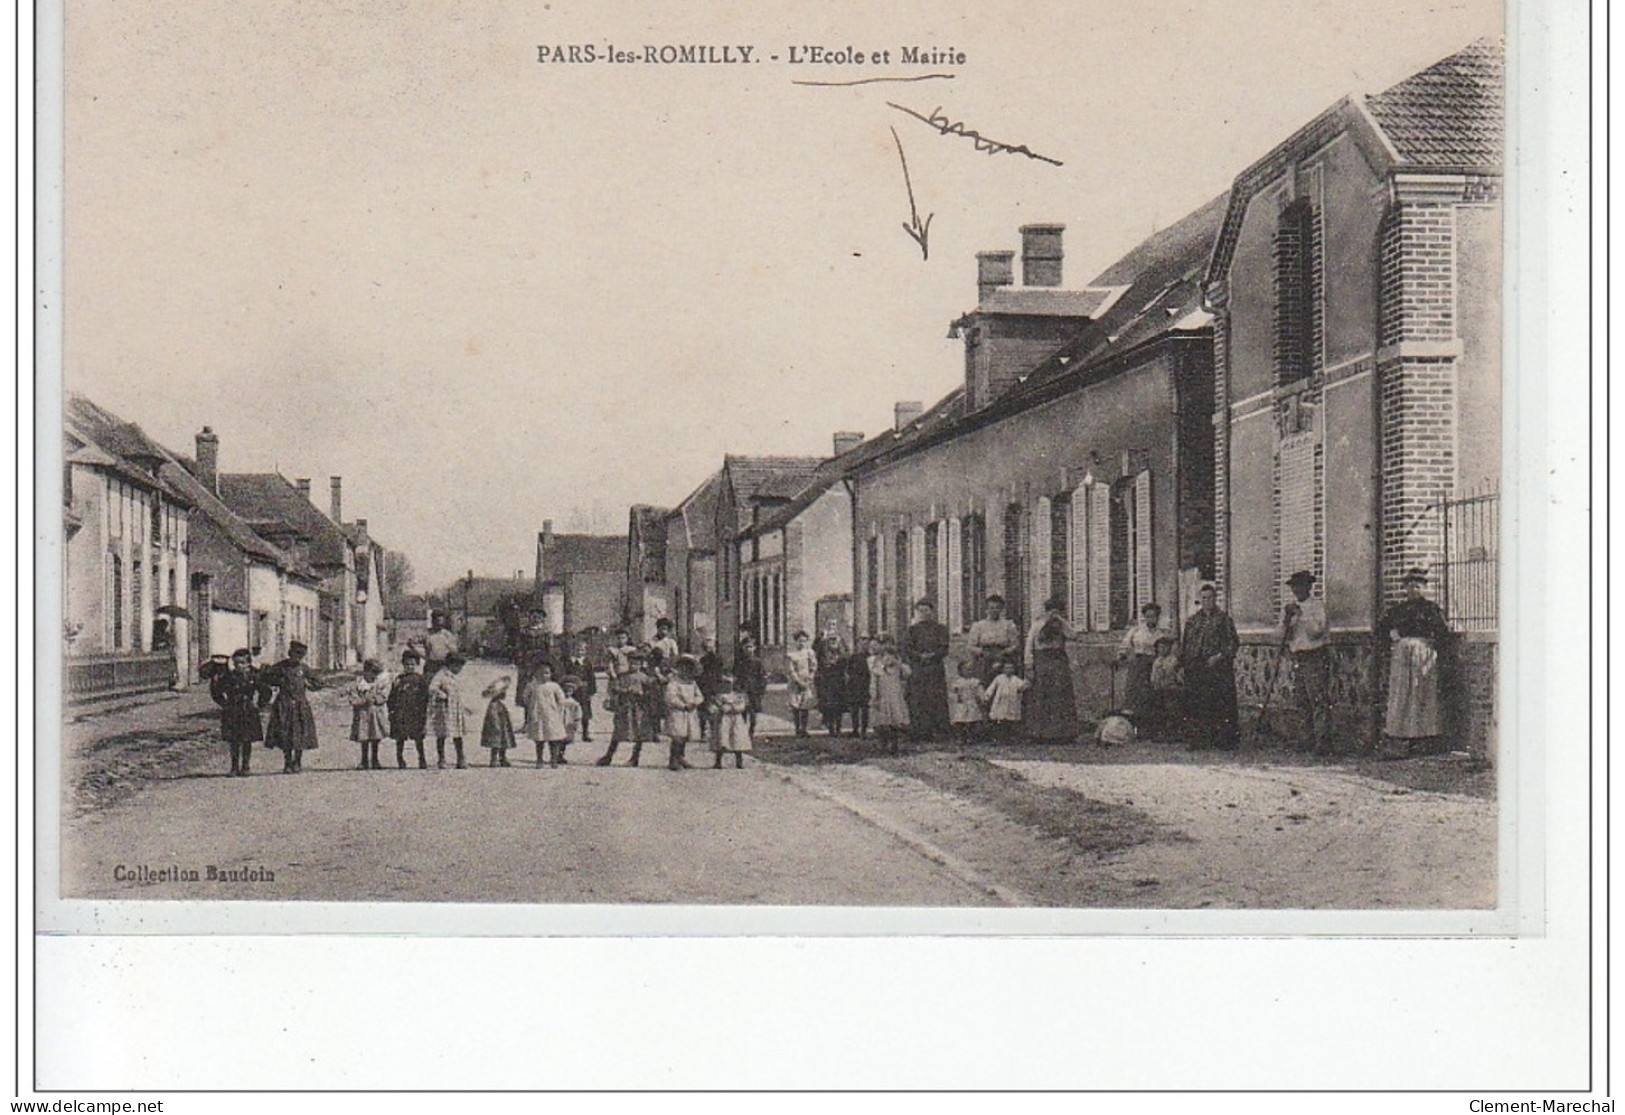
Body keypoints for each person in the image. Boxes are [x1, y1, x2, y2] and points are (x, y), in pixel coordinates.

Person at [1374, 568, 1452, 759]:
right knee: (1403, 694)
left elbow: (1443, 633)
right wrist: (1391, 633)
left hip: (1423, 655)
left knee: (1422, 694)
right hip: (1402, 656)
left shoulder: (1431, 609)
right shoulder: (1397, 610)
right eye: (1410, 586)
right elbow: (1381, 629)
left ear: (1424, 588)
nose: (1413, 590)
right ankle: (1401, 737)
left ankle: (1424, 739)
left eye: (1417, 586)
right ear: (1405, 588)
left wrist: (1434, 654)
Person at [1180, 584, 1241, 750]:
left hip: (1217, 668)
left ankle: (1223, 740)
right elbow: (1185, 645)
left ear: (1215, 599)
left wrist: (1219, 656)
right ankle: (1198, 740)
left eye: (1210, 597)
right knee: (1196, 704)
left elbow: (1233, 643)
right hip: (1196, 668)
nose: (1207, 601)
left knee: (1220, 704)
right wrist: (1184, 665)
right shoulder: (1193, 621)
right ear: (1200, 600)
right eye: (1204, 598)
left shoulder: (1223, 619)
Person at [1283, 570, 1334, 754]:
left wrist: (1302, 615)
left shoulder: (1317, 606)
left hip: (1315, 656)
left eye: (1300, 586)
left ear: (1309, 587)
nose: (1297, 590)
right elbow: (1284, 636)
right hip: (1299, 657)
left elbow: (1317, 631)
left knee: (1318, 699)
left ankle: (1323, 742)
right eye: (1294, 587)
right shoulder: (1292, 608)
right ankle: (1306, 740)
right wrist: (1287, 620)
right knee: (1301, 700)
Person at [1023, 595, 1083, 742]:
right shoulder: (1037, 625)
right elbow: (1029, 646)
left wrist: (1061, 621)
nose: (1053, 615)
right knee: (1041, 696)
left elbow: (1073, 635)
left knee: (1060, 697)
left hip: (1058, 662)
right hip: (1042, 662)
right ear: (1046, 611)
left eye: (1057, 612)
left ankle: (1063, 733)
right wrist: (1029, 665)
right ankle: (1039, 734)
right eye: (1051, 612)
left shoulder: (1061, 626)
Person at [261, 640, 323, 773]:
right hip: (284, 704)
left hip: (300, 704)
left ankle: (298, 762)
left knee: (299, 733)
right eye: (295, 654)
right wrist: (278, 681)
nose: (297, 657)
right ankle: (287, 762)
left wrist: (309, 684)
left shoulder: (304, 669)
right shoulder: (281, 667)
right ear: (290, 653)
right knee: (285, 733)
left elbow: (318, 682)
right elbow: (266, 678)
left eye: (300, 655)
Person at [209, 647, 266, 777]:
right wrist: (224, 703)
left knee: (247, 740)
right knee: (233, 740)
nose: (239, 666)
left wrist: (259, 704)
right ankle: (234, 767)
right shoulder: (228, 677)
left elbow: (265, 691)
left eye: (242, 663)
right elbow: (217, 691)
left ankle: (245, 766)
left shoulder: (254, 675)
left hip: (248, 710)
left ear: (248, 663)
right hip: (232, 710)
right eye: (236, 663)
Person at [904, 600, 951, 740]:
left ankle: (939, 731)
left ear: (932, 612)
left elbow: (944, 648)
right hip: (918, 669)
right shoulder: (912, 630)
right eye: (921, 611)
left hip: (935, 668)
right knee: (919, 699)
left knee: (936, 698)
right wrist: (919, 656)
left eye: (926, 610)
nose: (924, 614)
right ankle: (920, 731)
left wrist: (933, 655)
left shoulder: (941, 629)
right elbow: (907, 648)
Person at [596, 651, 651, 766]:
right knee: (618, 732)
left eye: (636, 663)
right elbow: (615, 688)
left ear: (641, 665)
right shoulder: (622, 676)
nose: (633, 666)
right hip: (624, 708)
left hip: (638, 709)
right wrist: (625, 691)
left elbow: (649, 693)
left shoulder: (644, 678)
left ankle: (635, 758)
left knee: (638, 733)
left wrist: (641, 693)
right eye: (631, 663)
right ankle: (608, 756)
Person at [1117, 602, 1168, 717]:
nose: (1151, 619)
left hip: (1153, 665)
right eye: (1148, 617)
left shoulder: (1160, 633)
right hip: (1138, 663)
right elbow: (1125, 644)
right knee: (1134, 689)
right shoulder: (1136, 631)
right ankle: (1132, 715)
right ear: (1144, 617)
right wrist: (1122, 654)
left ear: (1157, 617)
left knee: (1150, 691)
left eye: (1153, 617)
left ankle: (1149, 717)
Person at [387, 648, 431, 769]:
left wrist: (424, 711)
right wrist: (391, 710)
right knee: (400, 737)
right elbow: (392, 696)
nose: (410, 667)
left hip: (416, 713)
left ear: (417, 665)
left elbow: (425, 696)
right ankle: (400, 759)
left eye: (412, 664)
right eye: (407, 664)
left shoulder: (421, 680)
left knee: (418, 737)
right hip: (401, 713)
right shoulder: (398, 680)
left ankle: (422, 759)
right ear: (403, 665)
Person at [522, 661, 570, 767]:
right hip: (538, 715)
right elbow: (525, 697)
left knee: (553, 738)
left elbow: (561, 698)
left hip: (551, 715)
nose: (544, 675)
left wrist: (560, 706)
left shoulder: (554, 686)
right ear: (536, 674)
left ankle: (553, 759)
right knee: (539, 739)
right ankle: (539, 759)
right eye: (541, 673)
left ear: (551, 674)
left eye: (547, 673)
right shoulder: (532, 685)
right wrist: (531, 705)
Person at [868, 636, 912, 754]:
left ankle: (895, 745)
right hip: (882, 697)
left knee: (896, 722)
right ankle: (883, 744)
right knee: (882, 723)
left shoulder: (898, 668)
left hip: (895, 697)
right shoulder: (878, 668)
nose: (888, 659)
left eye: (891, 656)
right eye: (885, 656)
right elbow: (874, 683)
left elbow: (907, 674)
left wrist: (899, 663)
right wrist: (874, 697)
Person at [427, 653, 470, 769]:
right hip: (444, 710)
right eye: (458, 667)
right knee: (442, 734)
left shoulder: (455, 676)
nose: (460, 670)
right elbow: (432, 688)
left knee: (458, 734)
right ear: (451, 665)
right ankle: (441, 759)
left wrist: (465, 707)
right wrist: (442, 695)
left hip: (455, 710)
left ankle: (460, 759)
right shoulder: (441, 675)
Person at [348, 658, 392, 770]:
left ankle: (375, 759)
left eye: (376, 674)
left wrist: (376, 699)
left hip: (376, 715)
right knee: (364, 738)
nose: (373, 676)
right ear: (365, 671)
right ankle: (364, 760)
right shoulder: (358, 685)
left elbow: (384, 696)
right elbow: (353, 700)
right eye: (371, 673)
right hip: (363, 715)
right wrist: (364, 701)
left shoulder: (379, 684)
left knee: (375, 737)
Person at [968, 595, 1022, 684]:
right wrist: (982, 652)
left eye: (997, 608)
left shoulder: (1008, 625)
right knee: (985, 685)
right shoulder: (979, 626)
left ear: (1001, 609)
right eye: (991, 608)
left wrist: (1006, 651)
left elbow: (1015, 644)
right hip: (984, 660)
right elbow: (971, 646)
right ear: (987, 609)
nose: (994, 610)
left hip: (1003, 658)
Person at [664, 656, 705, 771]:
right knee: (678, 736)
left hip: (690, 712)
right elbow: (670, 697)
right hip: (678, 712)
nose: (685, 671)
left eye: (688, 668)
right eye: (683, 668)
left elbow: (700, 696)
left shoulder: (692, 683)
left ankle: (681, 757)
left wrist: (695, 703)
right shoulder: (674, 683)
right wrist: (682, 705)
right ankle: (673, 760)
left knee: (686, 735)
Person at [710, 673, 753, 769]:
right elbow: (715, 707)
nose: (726, 686)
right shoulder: (719, 696)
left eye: (728, 683)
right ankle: (718, 761)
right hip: (723, 719)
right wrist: (719, 708)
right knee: (721, 737)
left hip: (736, 719)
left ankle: (739, 760)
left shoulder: (738, 696)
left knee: (737, 738)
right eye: (724, 683)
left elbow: (742, 707)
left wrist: (733, 708)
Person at [984, 658, 1031, 744]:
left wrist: (1027, 682)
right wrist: (987, 696)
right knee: (1000, 720)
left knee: (1010, 721)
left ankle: (1009, 738)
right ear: (1003, 669)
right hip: (1000, 702)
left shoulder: (1015, 679)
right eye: (1007, 668)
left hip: (1012, 702)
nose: (1009, 670)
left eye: (1011, 668)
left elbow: (1021, 687)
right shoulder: (999, 678)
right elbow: (992, 688)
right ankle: (998, 738)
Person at [562, 638, 599, 742]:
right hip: (572, 690)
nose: (580, 652)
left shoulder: (587, 663)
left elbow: (591, 677)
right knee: (570, 712)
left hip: (584, 691)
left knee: (585, 712)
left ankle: (585, 732)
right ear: (573, 650)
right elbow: (565, 675)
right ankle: (569, 734)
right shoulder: (569, 662)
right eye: (577, 649)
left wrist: (592, 691)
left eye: (582, 650)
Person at [1148, 636, 1184, 740]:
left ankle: (1174, 732)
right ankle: (1162, 732)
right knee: (1160, 711)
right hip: (1159, 690)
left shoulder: (1174, 661)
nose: (1162, 650)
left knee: (1173, 711)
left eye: (1165, 647)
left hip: (1171, 689)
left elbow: (1178, 676)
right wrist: (1154, 684)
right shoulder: (1157, 661)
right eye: (1160, 648)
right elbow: (1153, 676)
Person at [815, 633, 849, 736]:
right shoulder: (823, 653)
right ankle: (830, 727)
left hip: (839, 681)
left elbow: (846, 662)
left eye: (835, 641)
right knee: (829, 705)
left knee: (839, 705)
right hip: (827, 680)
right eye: (831, 641)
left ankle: (838, 727)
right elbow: (819, 660)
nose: (833, 643)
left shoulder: (842, 654)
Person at [785, 631, 818, 737]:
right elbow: (791, 670)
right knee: (795, 707)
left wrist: (810, 677)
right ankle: (797, 728)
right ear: (796, 642)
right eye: (800, 641)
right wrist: (798, 681)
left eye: (804, 641)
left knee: (805, 706)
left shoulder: (809, 653)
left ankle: (804, 728)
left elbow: (813, 667)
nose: (802, 643)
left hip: (806, 681)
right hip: (795, 683)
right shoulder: (792, 655)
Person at [734, 633, 768, 736]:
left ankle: (751, 730)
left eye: (750, 647)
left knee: (753, 714)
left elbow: (762, 676)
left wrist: (761, 689)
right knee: (742, 712)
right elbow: (735, 675)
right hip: (742, 689)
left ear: (754, 648)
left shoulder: (757, 662)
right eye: (746, 647)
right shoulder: (739, 661)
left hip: (754, 690)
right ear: (743, 648)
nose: (748, 649)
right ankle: (743, 733)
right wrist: (737, 688)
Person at [480, 676, 517, 767]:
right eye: (503, 692)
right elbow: (492, 716)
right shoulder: (493, 705)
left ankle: (502, 757)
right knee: (495, 743)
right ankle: (494, 759)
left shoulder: (500, 704)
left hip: (503, 725)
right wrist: (496, 725)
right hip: (496, 726)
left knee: (504, 741)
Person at [948, 659, 988, 745]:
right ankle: (960, 737)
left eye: (970, 669)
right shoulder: (958, 682)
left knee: (972, 720)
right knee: (959, 720)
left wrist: (983, 699)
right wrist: (956, 695)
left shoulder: (975, 681)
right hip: (961, 703)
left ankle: (971, 737)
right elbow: (953, 691)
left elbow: (980, 692)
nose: (968, 671)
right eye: (966, 669)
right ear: (960, 671)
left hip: (972, 702)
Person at [844, 637, 873, 739]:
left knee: (865, 709)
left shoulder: (870, 657)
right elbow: (848, 671)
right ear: (858, 645)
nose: (863, 647)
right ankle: (855, 729)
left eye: (866, 644)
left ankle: (864, 730)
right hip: (854, 685)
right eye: (861, 644)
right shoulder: (853, 657)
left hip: (866, 685)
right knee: (854, 709)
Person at [423, 611, 460, 680]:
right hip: (431, 666)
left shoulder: (447, 635)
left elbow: (455, 651)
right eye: (438, 621)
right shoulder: (427, 634)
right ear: (433, 621)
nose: (440, 623)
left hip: (444, 665)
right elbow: (425, 651)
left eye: (442, 621)